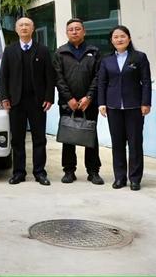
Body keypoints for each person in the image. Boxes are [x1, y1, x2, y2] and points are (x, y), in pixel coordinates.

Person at [0, 17, 56, 186]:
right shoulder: (9, 51)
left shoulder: (43, 50)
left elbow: (49, 76)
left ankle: (40, 172)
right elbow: (3, 76)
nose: (24, 27)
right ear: (16, 29)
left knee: (39, 139)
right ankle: (19, 172)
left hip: (37, 102)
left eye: (27, 25)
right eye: (21, 25)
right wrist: (4, 97)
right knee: (17, 139)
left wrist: (49, 97)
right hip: (16, 102)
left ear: (33, 29)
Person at [97, 26, 152, 190]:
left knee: (135, 143)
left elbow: (146, 81)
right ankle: (120, 178)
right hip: (113, 107)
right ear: (111, 40)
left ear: (129, 38)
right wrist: (101, 103)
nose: (119, 39)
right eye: (116, 37)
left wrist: (146, 102)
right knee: (117, 143)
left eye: (122, 36)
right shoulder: (106, 60)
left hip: (134, 106)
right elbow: (102, 83)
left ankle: (135, 179)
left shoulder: (139, 57)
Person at [52, 18, 104, 185]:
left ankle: (93, 171)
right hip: (68, 103)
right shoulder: (60, 53)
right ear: (67, 33)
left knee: (91, 136)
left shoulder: (94, 52)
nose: (74, 32)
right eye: (71, 29)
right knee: (68, 136)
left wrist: (89, 97)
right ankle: (69, 171)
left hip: (90, 102)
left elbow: (98, 76)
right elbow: (58, 78)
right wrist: (69, 98)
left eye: (77, 29)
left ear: (84, 31)